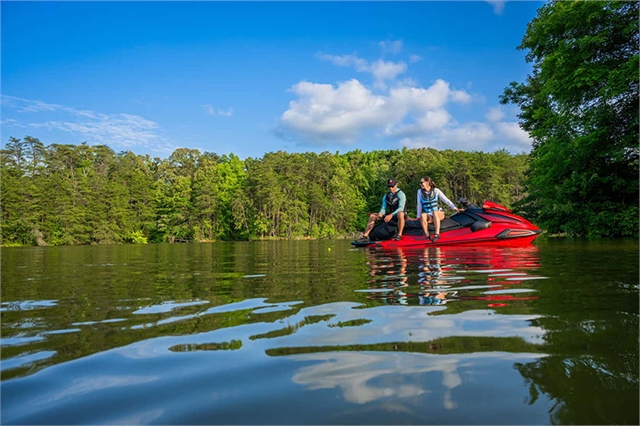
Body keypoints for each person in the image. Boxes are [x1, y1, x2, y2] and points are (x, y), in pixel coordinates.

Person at [416, 176, 462, 243]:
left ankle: (437, 234)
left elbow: (446, 200)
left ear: (427, 182)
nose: (420, 184)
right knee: (423, 215)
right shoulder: (419, 192)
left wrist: (455, 208)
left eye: (421, 182)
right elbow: (419, 205)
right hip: (429, 215)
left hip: (438, 213)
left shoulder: (436, 190)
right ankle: (427, 236)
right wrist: (418, 217)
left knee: (435, 212)